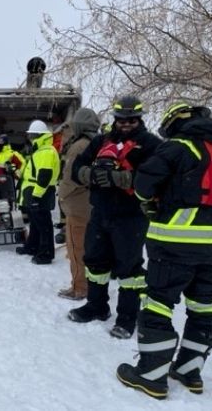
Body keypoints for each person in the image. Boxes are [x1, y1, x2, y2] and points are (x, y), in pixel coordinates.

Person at [116, 103, 212, 399]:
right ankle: (190, 370)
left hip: (175, 241)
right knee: (204, 305)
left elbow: (143, 184)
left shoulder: (177, 147)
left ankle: (150, 375)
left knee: (158, 302)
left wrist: (152, 201)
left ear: (175, 122)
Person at [69, 96, 161, 339]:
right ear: (115, 119)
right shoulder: (100, 141)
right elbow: (76, 168)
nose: (126, 124)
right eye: (121, 120)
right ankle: (96, 306)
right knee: (95, 262)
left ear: (139, 118)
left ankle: (127, 318)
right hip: (100, 212)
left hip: (131, 216)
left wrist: (123, 179)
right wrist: (90, 174)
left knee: (129, 270)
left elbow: (158, 177)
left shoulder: (151, 144)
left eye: (131, 120)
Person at [56, 108, 101, 300]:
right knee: (91, 249)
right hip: (93, 206)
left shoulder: (79, 146)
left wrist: (61, 195)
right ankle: (91, 285)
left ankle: (79, 287)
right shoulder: (98, 142)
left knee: (76, 248)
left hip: (78, 207)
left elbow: (70, 176)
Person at [15, 120, 60, 264]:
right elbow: (31, 172)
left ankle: (46, 254)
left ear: (39, 135)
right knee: (35, 222)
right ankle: (32, 247)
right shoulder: (39, 150)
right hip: (35, 192)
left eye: (32, 135)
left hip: (40, 193)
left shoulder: (46, 151)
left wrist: (36, 196)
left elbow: (44, 176)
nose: (30, 138)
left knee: (44, 224)